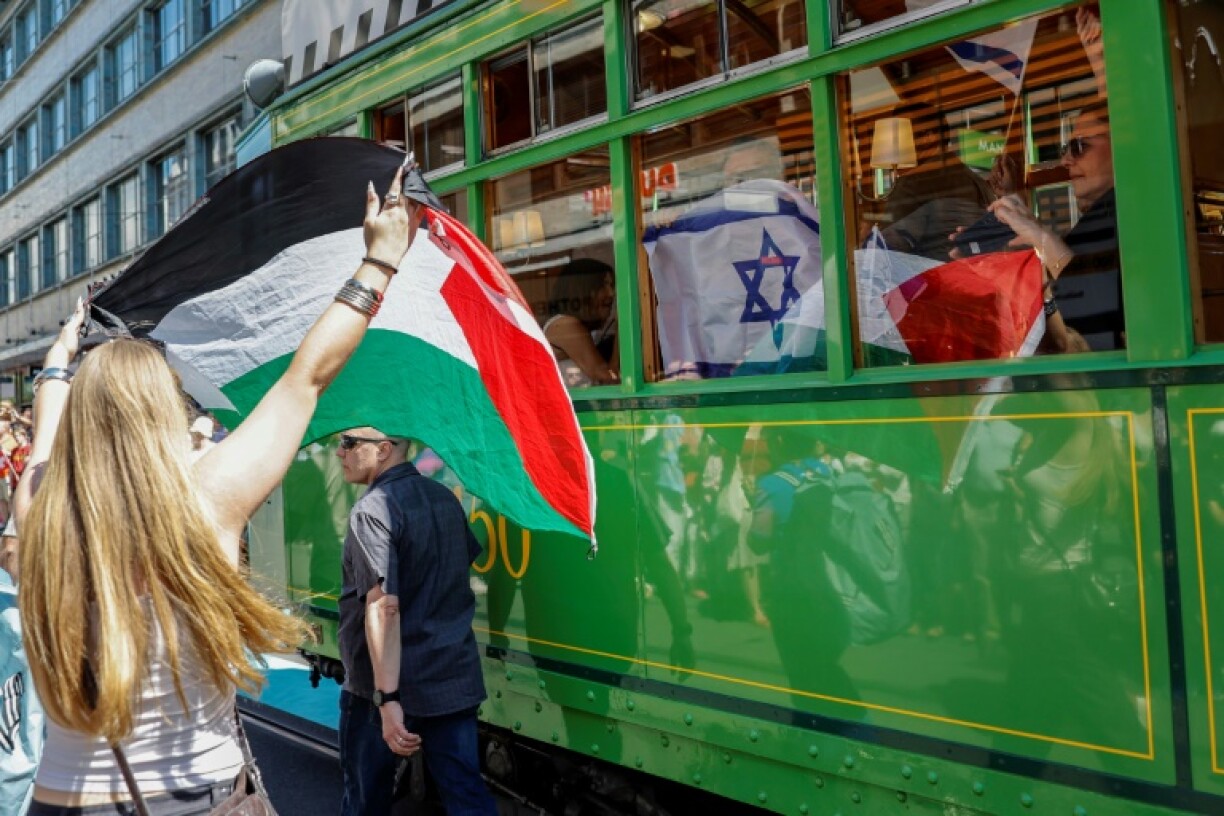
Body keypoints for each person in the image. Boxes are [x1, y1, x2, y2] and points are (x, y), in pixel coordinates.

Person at [16, 167, 418, 815]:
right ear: (162, 414)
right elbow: (306, 379)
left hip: (63, 797)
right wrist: (379, 260)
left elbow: (45, 443)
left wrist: (64, 361)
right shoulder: (208, 501)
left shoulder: (41, 514)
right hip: (195, 798)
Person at [334, 426, 497, 816]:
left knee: (365, 800)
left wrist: (387, 699)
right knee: (466, 794)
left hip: (384, 687)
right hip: (450, 675)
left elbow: (383, 607)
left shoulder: (372, 510)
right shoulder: (443, 498)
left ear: (384, 450)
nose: (339, 452)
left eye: (349, 443)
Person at [985, 99, 1121, 352]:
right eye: (1065, 148)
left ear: (1122, 144)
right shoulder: (1109, 215)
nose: (1066, 160)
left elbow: (1088, 302)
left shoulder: (1130, 212)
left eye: (1079, 146)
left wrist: (1040, 237)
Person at [542, 258, 618, 387]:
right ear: (582, 290)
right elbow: (607, 379)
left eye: (611, 286)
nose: (611, 293)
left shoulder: (585, 331)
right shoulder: (565, 325)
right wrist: (624, 330)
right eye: (603, 285)